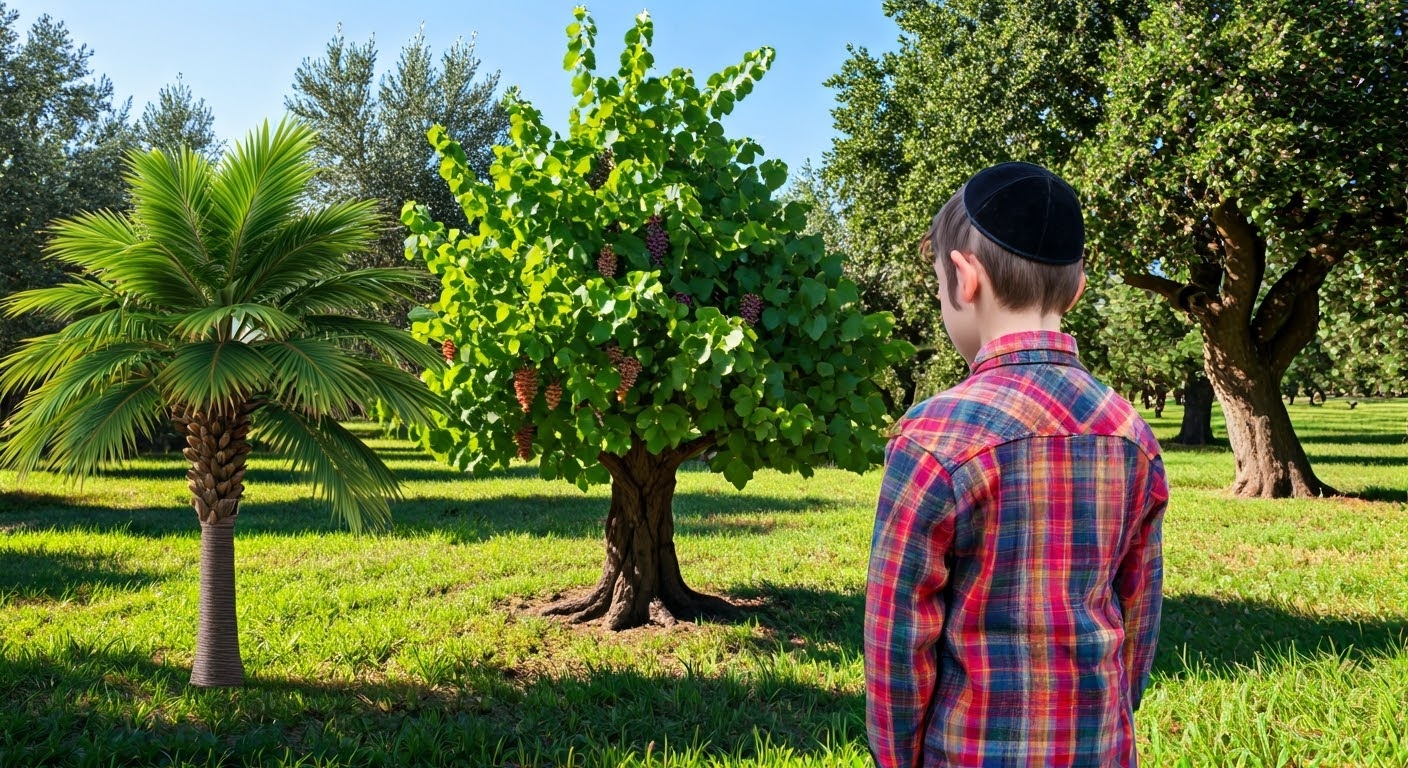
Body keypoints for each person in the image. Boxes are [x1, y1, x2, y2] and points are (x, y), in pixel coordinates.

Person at [864, 161, 1169, 767]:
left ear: (963, 278)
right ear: (1077, 289)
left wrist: (896, 757)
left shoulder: (933, 435)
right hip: (1101, 749)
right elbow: (1139, 618)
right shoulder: (1129, 432)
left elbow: (897, 640)